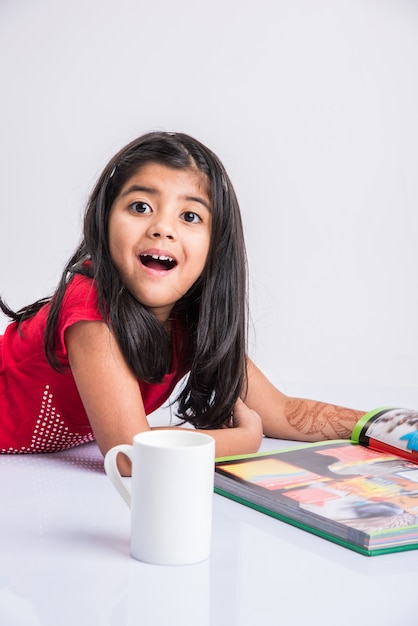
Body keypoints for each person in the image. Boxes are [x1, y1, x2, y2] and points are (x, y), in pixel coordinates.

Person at [0, 131, 364, 474]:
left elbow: (281, 412)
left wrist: (390, 426)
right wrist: (243, 439)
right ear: (104, 221)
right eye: (140, 206)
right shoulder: (90, 311)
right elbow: (129, 454)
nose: (162, 227)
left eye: (189, 216)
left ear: (215, 245)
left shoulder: (189, 320)